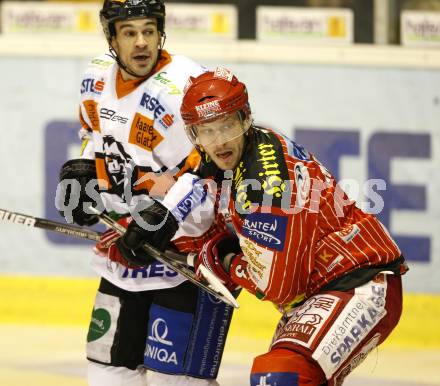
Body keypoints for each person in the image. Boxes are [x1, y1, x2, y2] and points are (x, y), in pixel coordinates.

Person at [154, 67, 409, 385]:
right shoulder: (253, 145)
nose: (219, 141)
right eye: (207, 131)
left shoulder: (264, 184)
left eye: (226, 126)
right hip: (326, 287)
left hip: (358, 284)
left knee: (282, 374)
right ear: (194, 136)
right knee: (293, 375)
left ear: (244, 119)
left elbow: (280, 287)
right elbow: (198, 174)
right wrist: (158, 220)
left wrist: (223, 260)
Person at [56, 2, 233, 386]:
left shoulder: (189, 85)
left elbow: (214, 171)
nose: (141, 43)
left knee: (177, 383)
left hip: (186, 262)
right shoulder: (95, 76)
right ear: (112, 38)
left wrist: (161, 220)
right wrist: (84, 171)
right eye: (130, 32)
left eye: (149, 31)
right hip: (123, 256)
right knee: (107, 375)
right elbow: (94, 137)